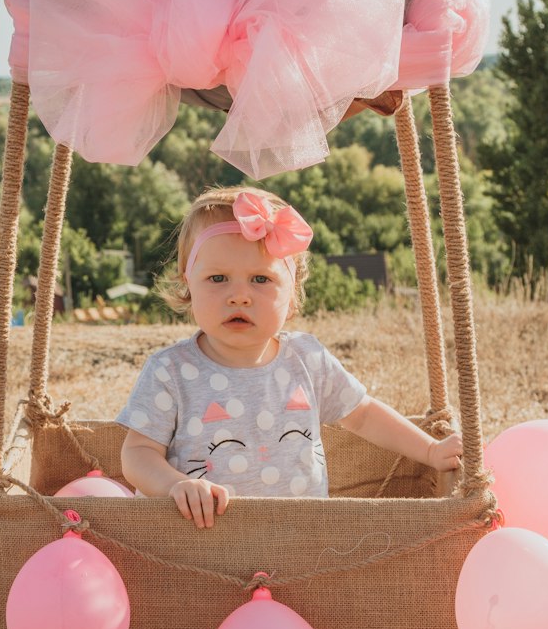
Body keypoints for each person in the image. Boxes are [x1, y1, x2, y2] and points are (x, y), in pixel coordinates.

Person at [118, 186, 463, 528]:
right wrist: (175, 484)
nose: (239, 296)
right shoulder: (172, 371)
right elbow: (138, 454)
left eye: (261, 279)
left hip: (297, 541)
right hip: (201, 543)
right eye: (218, 278)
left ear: (292, 292)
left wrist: (431, 451)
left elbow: (364, 415)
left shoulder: (306, 359)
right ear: (187, 283)